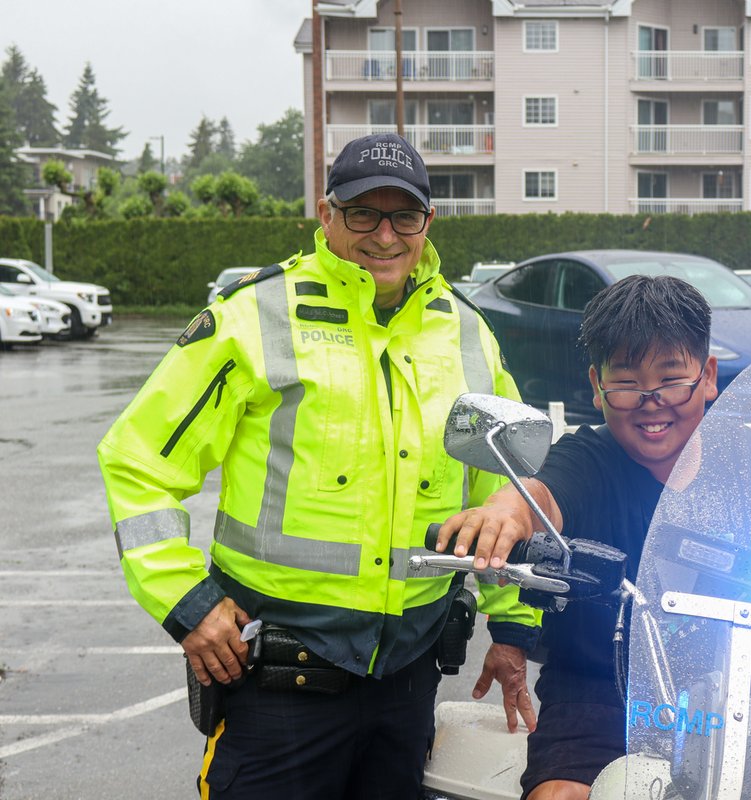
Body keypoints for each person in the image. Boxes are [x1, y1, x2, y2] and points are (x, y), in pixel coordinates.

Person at [97, 132, 541, 799]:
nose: (384, 236)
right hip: (277, 689)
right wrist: (186, 603)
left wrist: (511, 629)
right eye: (363, 213)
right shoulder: (255, 317)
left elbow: (497, 487)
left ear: (428, 222)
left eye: (404, 216)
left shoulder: (465, 330)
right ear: (327, 214)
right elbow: (138, 460)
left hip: (408, 684)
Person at [437, 274, 720, 800]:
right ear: (596, 383)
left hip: (733, 702)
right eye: (627, 380)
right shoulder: (589, 458)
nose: (650, 400)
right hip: (598, 697)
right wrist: (504, 516)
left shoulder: (743, 463)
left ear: (707, 376)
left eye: (671, 377)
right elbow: (539, 495)